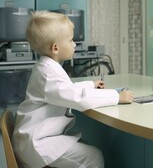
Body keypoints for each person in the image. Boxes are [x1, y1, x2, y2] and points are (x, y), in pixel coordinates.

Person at [12, 10, 134, 168]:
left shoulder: (47, 68)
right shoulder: (49, 74)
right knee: (93, 157)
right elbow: (79, 98)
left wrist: (91, 84)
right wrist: (117, 96)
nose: (74, 44)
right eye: (70, 40)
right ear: (55, 48)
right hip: (37, 145)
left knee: (84, 147)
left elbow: (67, 90)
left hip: (34, 139)